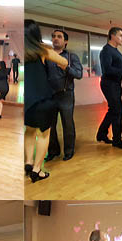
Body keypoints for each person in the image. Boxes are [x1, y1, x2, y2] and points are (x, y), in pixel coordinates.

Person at [23, 19, 68, 183]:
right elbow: (64, 62)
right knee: (43, 135)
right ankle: (37, 170)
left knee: (29, 131)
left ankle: (28, 163)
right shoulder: (41, 50)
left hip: (27, 102)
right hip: (42, 99)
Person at [45, 29, 83, 162]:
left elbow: (79, 74)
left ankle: (69, 151)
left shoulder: (72, 57)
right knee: (50, 125)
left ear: (65, 41)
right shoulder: (47, 57)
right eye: (54, 36)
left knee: (67, 124)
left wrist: (66, 67)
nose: (56, 39)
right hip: (50, 95)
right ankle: (53, 151)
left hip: (66, 95)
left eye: (59, 37)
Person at [96, 27, 122, 150]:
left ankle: (101, 134)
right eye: (120, 35)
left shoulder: (115, 50)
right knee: (117, 111)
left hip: (115, 84)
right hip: (109, 84)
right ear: (112, 36)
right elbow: (108, 70)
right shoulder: (106, 50)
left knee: (113, 110)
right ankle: (117, 140)